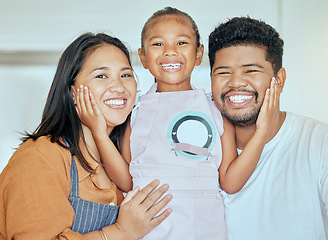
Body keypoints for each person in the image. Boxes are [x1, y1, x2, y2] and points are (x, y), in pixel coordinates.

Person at [76, 7, 280, 240]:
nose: (170, 52)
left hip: (204, 227)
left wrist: (262, 130)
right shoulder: (136, 111)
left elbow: (231, 182)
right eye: (158, 44)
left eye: (181, 43)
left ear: (198, 54)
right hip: (150, 228)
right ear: (143, 57)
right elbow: (126, 180)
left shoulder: (216, 109)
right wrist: (100, 134)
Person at [0, 33, 173, 240]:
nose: (118, 87)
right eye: (101, 76)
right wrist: (121, 231)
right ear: (72, 91)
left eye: (126, 75)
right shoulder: (40, 156)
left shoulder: (130, 162)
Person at [208, 16, 328, 240]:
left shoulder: (324, 144)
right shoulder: (197, 150)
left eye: (250, 71)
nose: (235, 83)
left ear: (279, 80)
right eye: (223, 72)